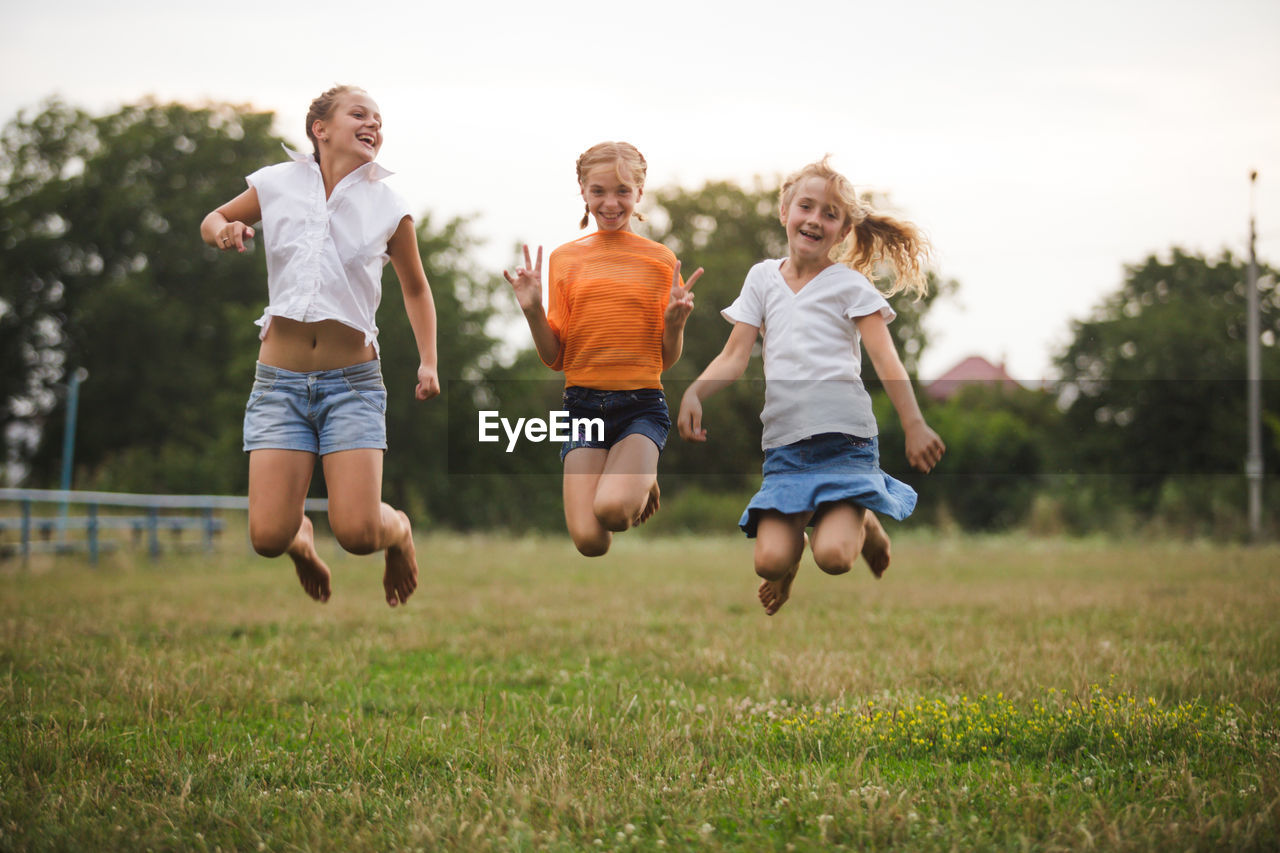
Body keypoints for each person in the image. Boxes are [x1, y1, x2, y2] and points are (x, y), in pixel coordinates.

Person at [200, 85, 439, 607]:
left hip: (350, 386)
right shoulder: (276, 184)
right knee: (267, 538)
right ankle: (301, 542)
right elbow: (211, 219)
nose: (373, 123)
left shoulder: (389, 205)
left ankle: (397, 530)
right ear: (321, 128)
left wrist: (428, 361)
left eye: (379, 118)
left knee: (357, 534)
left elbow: (416, 287)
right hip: (278, 385)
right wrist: (225, 230)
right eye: (360, 114)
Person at [677, 156, 945, 615]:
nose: (815, 220)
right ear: (785, 211)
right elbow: (735, 355)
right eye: (807, 206)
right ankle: (798, 557)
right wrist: (694, 392)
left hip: (845, 445)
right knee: (769, 561)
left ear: (842, 232)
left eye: (830, 214)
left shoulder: (849, 285)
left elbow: (884, 357)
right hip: (786, 451)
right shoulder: (762, 278)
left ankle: (864, 520)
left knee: (835, 558)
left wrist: (915, 423)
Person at [504, 141, 702, 556]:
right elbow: (555, 357)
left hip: (641, 405)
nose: (610, 203)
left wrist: (675, 324)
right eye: (599, 191)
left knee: (613, 511)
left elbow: (665, 359)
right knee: (591, 542)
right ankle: (635, 476)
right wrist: (532, 311)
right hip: (582, 406)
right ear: (583, 191)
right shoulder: (564, 260)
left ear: (639, 193)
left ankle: (639, 475)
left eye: (622, 191)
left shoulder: (661, 261)